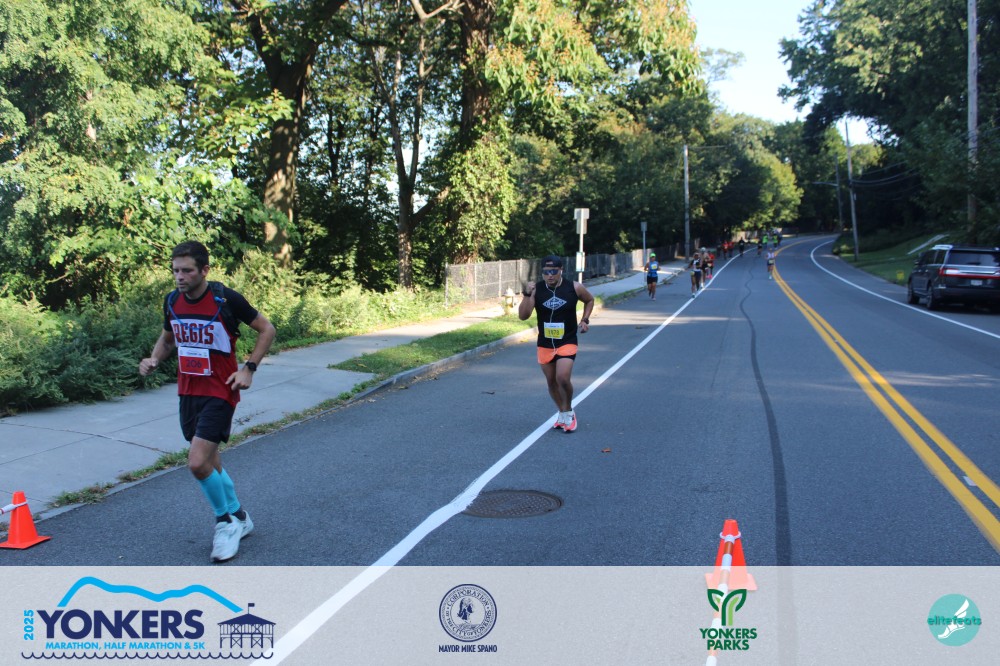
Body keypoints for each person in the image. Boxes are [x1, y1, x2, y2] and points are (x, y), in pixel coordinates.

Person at [139, 241, 276, 562]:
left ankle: (225, 523)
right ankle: (239, 516)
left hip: (222, 390)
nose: (179, 277)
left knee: (197, 462)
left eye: (187, 271)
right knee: (210, 459)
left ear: (204, 270)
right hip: (188, 391)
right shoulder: (172, 301)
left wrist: (249, 368)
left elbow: (267, 329)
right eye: (175, 271)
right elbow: (168, 338)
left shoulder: (224, 298)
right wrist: (154, 358)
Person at [518, 256, 594, 433]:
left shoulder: (574, 287)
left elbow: (589, 300)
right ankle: (562, 412)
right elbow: (523, 316)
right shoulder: (537, 290)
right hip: (545, 342)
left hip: (567, 340)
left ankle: (568, 411)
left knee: (562, 378)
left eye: (553, 271)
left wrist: (585, 320)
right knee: (551, 382)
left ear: (561, 271)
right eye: (546, 272)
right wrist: (527, 294)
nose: (550, 275)